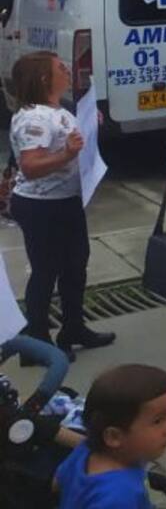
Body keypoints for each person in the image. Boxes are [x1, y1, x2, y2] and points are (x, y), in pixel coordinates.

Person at [8, 51, 114, 360]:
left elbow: (71, 138)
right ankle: (37, 342)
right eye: (59, 68)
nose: (67, 70)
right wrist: (67, 154)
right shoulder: (34, 118)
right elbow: (30, 166)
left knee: (75, 266)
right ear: (44, 78)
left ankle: (73, 327)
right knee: (45, 271)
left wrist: (88, 127)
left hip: (66, 202)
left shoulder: (58, 109)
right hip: (41, 207)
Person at [54, 364, 166, 509]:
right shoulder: (119, 497)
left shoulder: (85, 451)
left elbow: (57, 483)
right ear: (114, 436)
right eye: (158, 421)